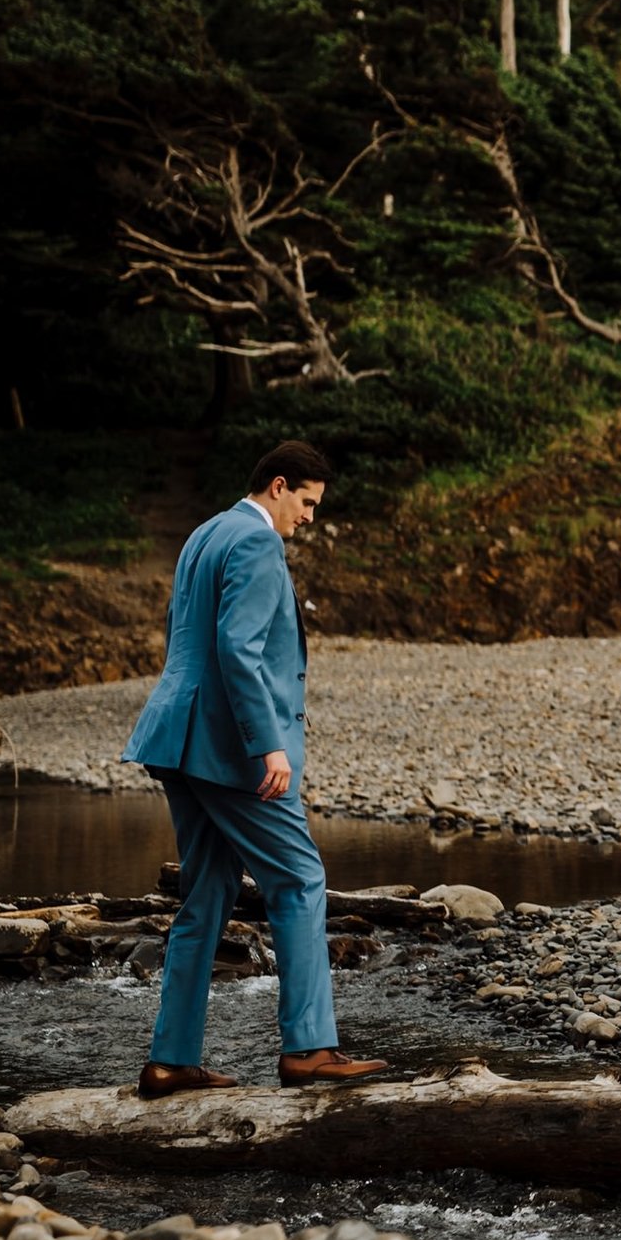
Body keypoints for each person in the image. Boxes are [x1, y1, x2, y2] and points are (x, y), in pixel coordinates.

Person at [120, 439, 391, 1098]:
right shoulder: (257, 542)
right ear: (277, 486)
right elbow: (237, 649)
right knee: (299, 878)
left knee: (206, 894)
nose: (309, 517)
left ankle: (170, 1060)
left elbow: (182, 635)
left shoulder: (203, 535)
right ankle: (309, 1049)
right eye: (306, 501)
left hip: (176, 741)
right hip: (228, 749)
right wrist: (267, 743)